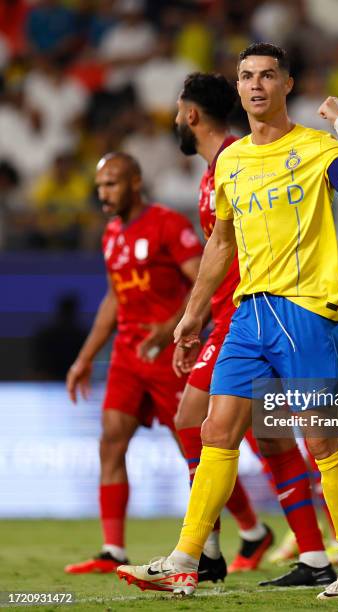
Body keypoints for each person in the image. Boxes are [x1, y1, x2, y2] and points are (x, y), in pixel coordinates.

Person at [118, 42, 338, 600]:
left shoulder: (314, 149)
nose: (256, 85)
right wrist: (191, 318)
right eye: (246, 76)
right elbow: (221, 243)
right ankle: (186, 560)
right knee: (216, 430)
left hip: (307, 311)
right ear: (237, 89)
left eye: (267, 75)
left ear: (287, 85)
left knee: (319, 437)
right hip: (247, 313)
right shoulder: (231, 162)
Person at [172, 71, 336, 584]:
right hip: (236, 317)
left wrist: (207, 318)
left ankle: (212, 547)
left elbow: (238, 248)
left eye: (179, 111)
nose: (176, 120)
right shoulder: (220, 166)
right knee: (272, 439)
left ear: (191, 115)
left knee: (193, 421)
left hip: (254, 314)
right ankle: (310, 556)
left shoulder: (238, 158)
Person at [64, 152, 204, 574]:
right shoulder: (110, 234)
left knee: (194, 451)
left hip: (168, 353)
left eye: (112, 183)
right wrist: (85, 357)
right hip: (128, 353)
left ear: (136, 182)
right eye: (100, 185)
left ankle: (241, 533)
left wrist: (172, 326)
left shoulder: (167, 224)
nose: (103, 192)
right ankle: (113, 550)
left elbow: (203, 281)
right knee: (111, 440)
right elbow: (113, 298)